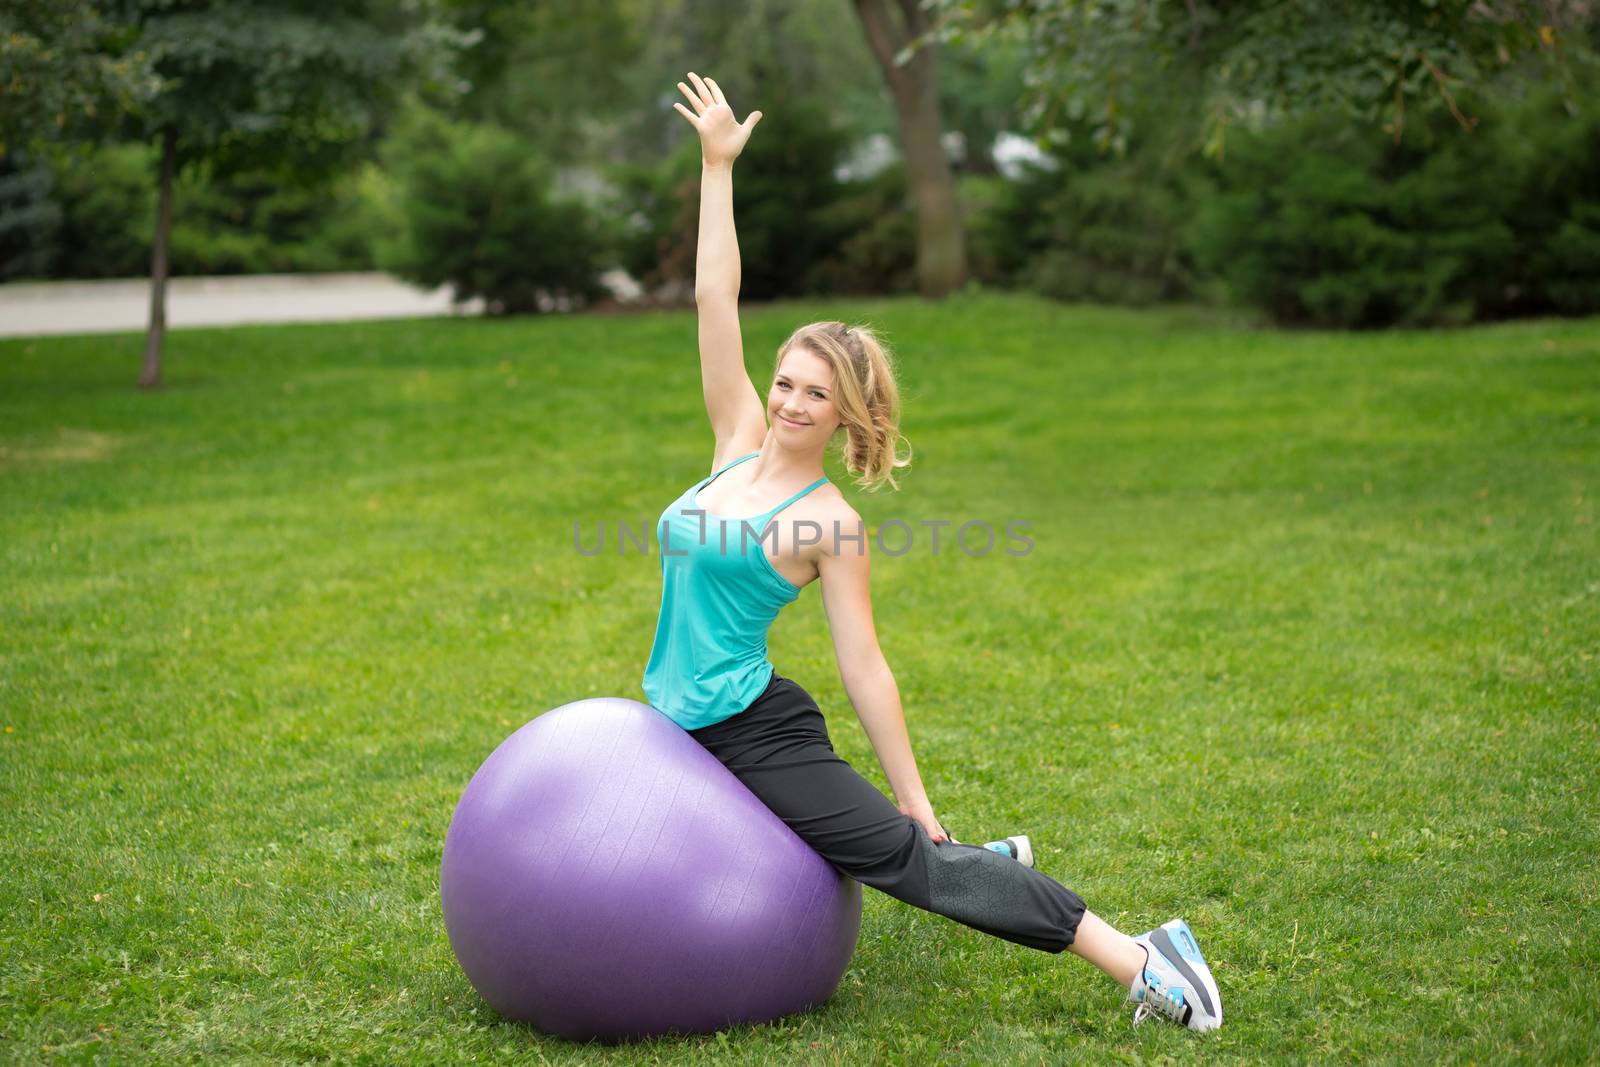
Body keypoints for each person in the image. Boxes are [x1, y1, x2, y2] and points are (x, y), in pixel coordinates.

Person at [642, 71, 1223, 1033]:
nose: (788, 403)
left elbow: (865, 662)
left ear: (843, 416)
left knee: (913, 864)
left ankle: (1145, 958)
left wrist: (914, 797)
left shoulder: (828, 522)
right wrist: (715, 168)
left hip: (750, 731)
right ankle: (991, 852)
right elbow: (716, 293)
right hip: (679, 723)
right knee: (837, 849)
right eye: (786, 381)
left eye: (813, 396)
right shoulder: (735, 435)